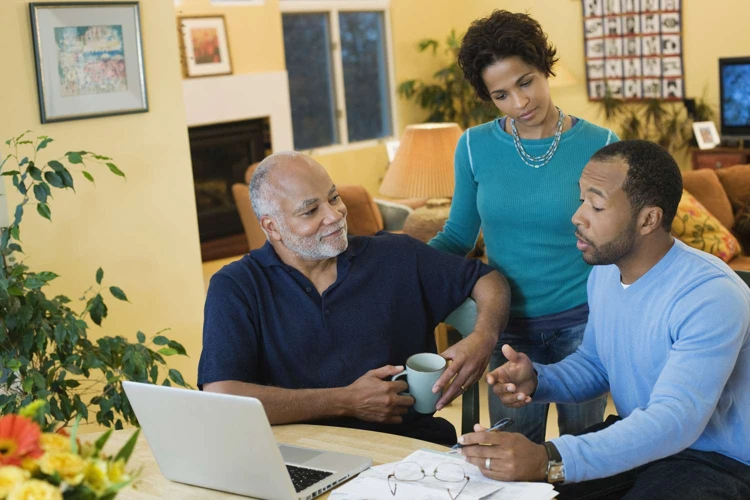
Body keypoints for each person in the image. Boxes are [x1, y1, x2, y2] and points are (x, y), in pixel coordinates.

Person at [457, 140, 750, 499]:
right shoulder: (606, 274)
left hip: (717, 459)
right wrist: (539, 379)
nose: (577, 217)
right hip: (639, 436)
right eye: (582, 200)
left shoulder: (710, 295)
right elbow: (596, 363)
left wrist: (548, 458)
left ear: (648, 219)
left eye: (596, 205)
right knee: (520, 490)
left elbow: (676, 419)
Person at [198, 151, 511, 446]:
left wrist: (483, 337)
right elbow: (223, 395)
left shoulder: (395, 256)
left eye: (334, 197)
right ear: (272, 227)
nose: (334, 215)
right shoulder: (236, 286)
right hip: (296, 455)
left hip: (408, 453)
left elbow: (489, 280)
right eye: (310, 210)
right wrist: (346, 401)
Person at [428, 10, 617, 444]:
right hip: (506, 328)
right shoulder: (474, 146)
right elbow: (458, 236)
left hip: (586, 327)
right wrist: (403, 267)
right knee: (513, 453)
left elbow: (616, 241)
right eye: (501, 95)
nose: (520, 103)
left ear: (544, 66)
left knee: (585, 458)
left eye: (526, 82)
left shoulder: (602, 145)